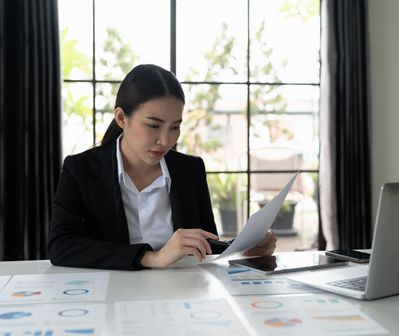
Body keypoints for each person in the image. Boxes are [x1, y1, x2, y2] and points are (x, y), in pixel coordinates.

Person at [48, 64, 277, 270]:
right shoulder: (81, 168)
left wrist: (244, 248)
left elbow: (205, 246)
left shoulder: (190, 169)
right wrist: (151, 257)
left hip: (179, 296)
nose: (166, 141)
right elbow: (61, 246)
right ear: (121, 118)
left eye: (175, 127)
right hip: (112, 295)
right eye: (153, 125)